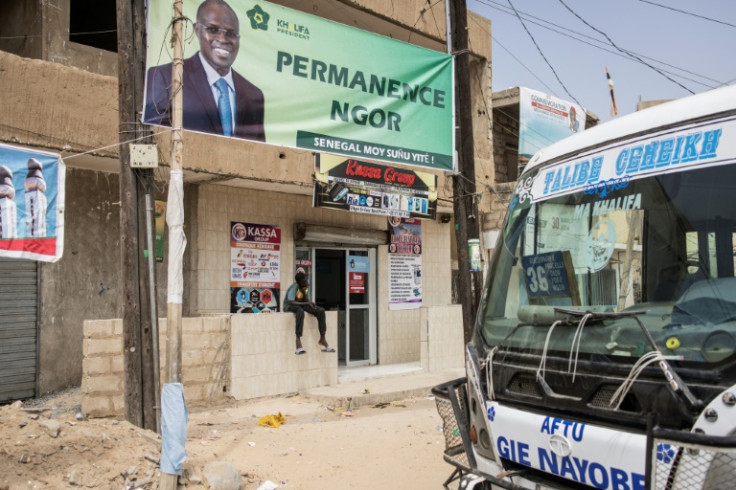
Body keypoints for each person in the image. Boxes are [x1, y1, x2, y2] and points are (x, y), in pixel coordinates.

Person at [143, 0, 266, 141]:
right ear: (197, 30)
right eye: (213, 30)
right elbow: (154, 139)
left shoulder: (253, 95)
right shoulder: (165, 77)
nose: (222, 39)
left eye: (231, 33)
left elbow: (259, 152)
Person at [284, 270, 335, 355]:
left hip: (302, 305)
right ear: (299, 282)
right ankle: (298, 340)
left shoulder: (304, 286)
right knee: (300, 311)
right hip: (290, 306)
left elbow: (306, 300)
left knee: (320, 310)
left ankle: (322, 338)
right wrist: (306, 303)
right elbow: (290, 302)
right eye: (304, 281)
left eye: (306, 279)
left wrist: (310, 303)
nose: (306, 281)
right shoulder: (294, 287)